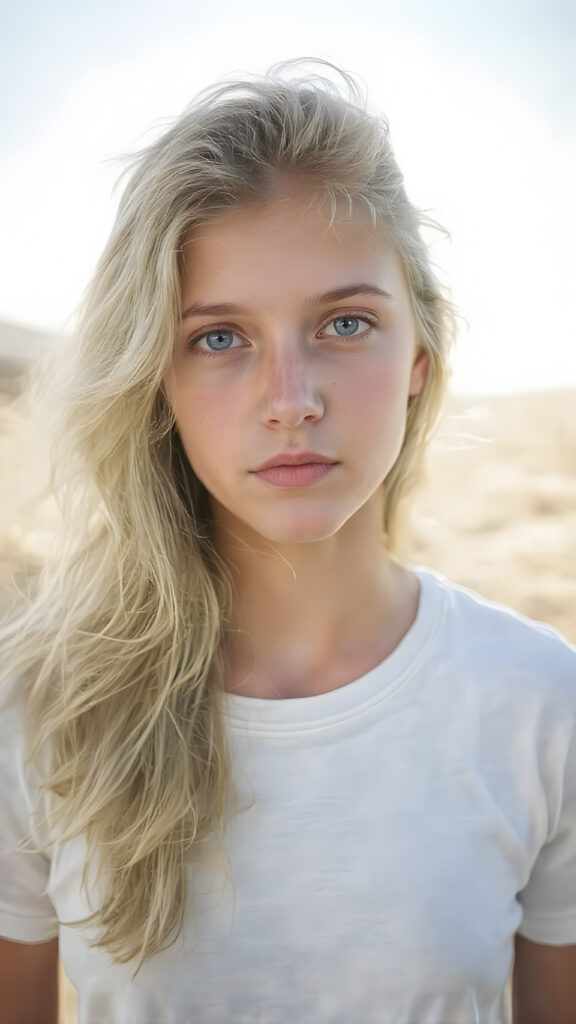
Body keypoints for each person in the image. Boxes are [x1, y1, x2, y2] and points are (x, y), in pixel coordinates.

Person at [0, 58, 574, 1024]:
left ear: (418, 367)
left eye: (345, 323)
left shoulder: (541, 706)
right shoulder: (38, 705)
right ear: (159, 383)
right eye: (220, 338)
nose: (292, 401)